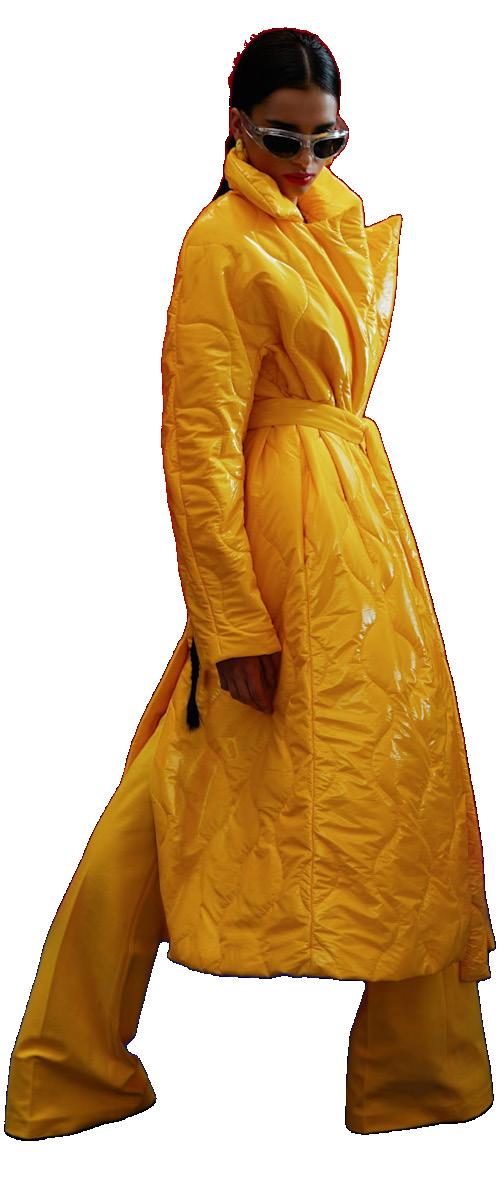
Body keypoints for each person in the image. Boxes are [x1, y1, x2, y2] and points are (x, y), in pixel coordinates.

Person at [4, 26, 495, 1140]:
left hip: (362, 531)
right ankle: (68, 1063)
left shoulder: (326, 226)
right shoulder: (222, 241)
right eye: (283, 139)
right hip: (279, 537)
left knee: (404, 774)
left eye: (328, 140)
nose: (307, 162)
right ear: (236, 124)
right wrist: (230, 617)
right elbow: (197, 440)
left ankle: (422, 1074)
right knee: (185, 772)